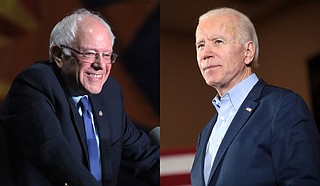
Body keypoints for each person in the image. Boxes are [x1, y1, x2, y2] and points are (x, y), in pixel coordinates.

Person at [0, 8, 159, 186]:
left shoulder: (109, 92)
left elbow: (143, 156)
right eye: (90, 54)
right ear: (59, 55)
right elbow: (55, 155)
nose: (100, 65)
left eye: (106, 55)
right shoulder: (34, 85)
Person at [190, 7, 320, 186]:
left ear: (248, 52)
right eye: (200, 45)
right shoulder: (206, 132)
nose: (205, 54)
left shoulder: (282, 107)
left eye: (218, 41)